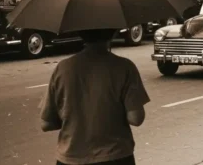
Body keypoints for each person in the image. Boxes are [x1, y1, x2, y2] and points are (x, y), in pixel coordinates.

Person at [40, 28, 150, 165]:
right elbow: (136, 118)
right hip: (116, 156)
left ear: (80, 33)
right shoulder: (125, 67)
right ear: (113, 32)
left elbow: (46, 123)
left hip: (71, 158)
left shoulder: (63, 68)